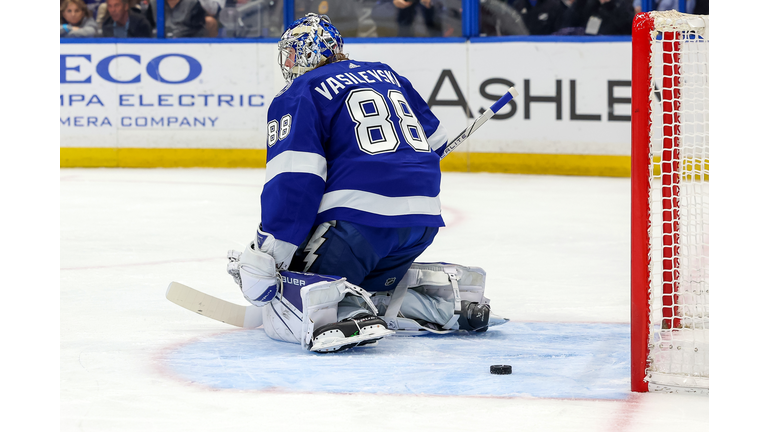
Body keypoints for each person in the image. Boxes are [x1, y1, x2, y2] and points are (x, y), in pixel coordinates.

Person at [226, 13, 507, 353]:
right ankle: (447, 308)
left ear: (303, 55)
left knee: (298, 292)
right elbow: (437, 140)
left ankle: (348, 314)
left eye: (290, 55)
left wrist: (267, 254)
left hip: (359, 227)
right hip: (422, 221)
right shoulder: (387, 73)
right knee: (374, 290)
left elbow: (295, 183)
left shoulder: (301, 91)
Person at [561, 0, 634, 35]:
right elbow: (566, 25)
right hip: (586, 50)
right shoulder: (586, 4)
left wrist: (608, 5)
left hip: (613, 50)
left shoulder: (623, 6)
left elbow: (627, 30)